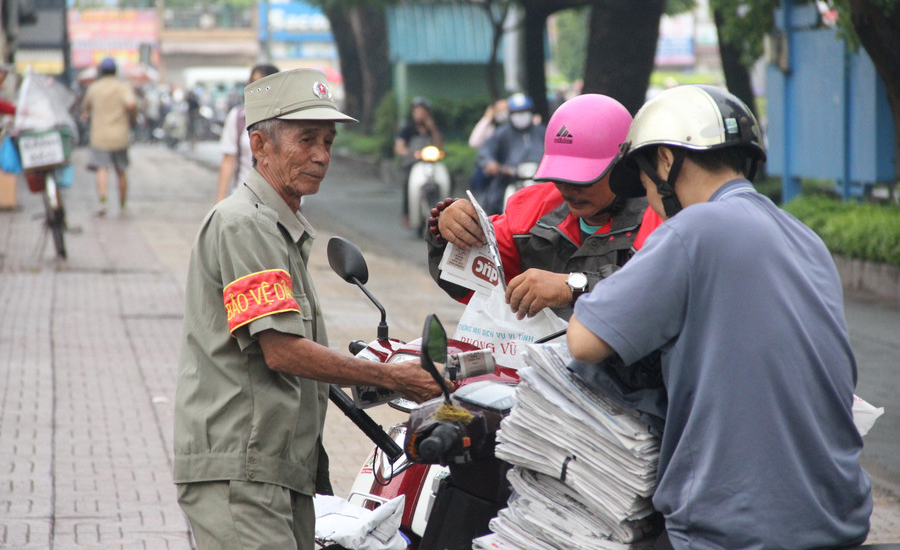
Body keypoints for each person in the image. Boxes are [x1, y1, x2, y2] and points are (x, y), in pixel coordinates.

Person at [566, 84, 872, 550]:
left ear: (666, 161)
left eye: (646, 184)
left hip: (731, 529)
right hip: (838, 517)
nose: (649, 201)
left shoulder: (694, 228)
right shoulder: (805, 238)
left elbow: (584, 342)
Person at [174, 69, 443, 550]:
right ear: (259, 146)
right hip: (243, 470)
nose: (322, 155)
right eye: (306, 140)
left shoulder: (281, 226)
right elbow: (282, 351)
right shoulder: (244, 225)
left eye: (328, 141)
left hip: (278, 469)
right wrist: (395, 377)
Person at [427, 94, 662, 323]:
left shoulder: (659, 217)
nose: (569, 190)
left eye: (583, 179)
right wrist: (447, 228)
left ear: (623, 166)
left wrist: (572, 286)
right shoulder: (530, 210)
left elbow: (654, 288)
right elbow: (468, 282)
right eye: (560, 176)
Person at [81, 57, 137, 216]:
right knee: (121, 170)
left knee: (101, 169)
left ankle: (102, 202)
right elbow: (131, 104)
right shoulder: (122, 87)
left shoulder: (94, 88)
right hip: (120, 135)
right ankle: (123, 205)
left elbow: (85, 109)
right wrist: (133, 116)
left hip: (100, 136)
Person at [474, 92, 546, 215]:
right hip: (510, 179)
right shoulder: (502, 133)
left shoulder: (542, 131)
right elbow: (486, 150)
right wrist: (489, 162)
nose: (521, 116)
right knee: (494, 200)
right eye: (517, 113)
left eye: (524, 111)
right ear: (510, 114)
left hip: (542, 180)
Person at [215, 63, 279, 202]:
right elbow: (228, 160)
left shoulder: (288, 120)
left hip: (282, 204)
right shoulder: (238, 117)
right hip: (244, 200)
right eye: (252, 83)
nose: (256, 89)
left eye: (262, 84)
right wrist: (219, 201)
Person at [394, 96, 443, 227]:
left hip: (431, 162)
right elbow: (399, 146)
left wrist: (432, 128)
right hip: (413, 163)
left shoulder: (432, 129)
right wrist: (409, 153)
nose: (419, 114)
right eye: (417, 111)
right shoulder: (408, 129)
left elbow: (440, 144)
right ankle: (406, 213)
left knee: (446, 176)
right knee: (408, 182)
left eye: (422, 111)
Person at [467, 97, 509, 195]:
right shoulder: (490, 129)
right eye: (500, 110)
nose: (503, 113)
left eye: (506, 109)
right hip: (493, 168)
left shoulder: (515, 131)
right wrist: (487, 119)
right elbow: (474, 142)